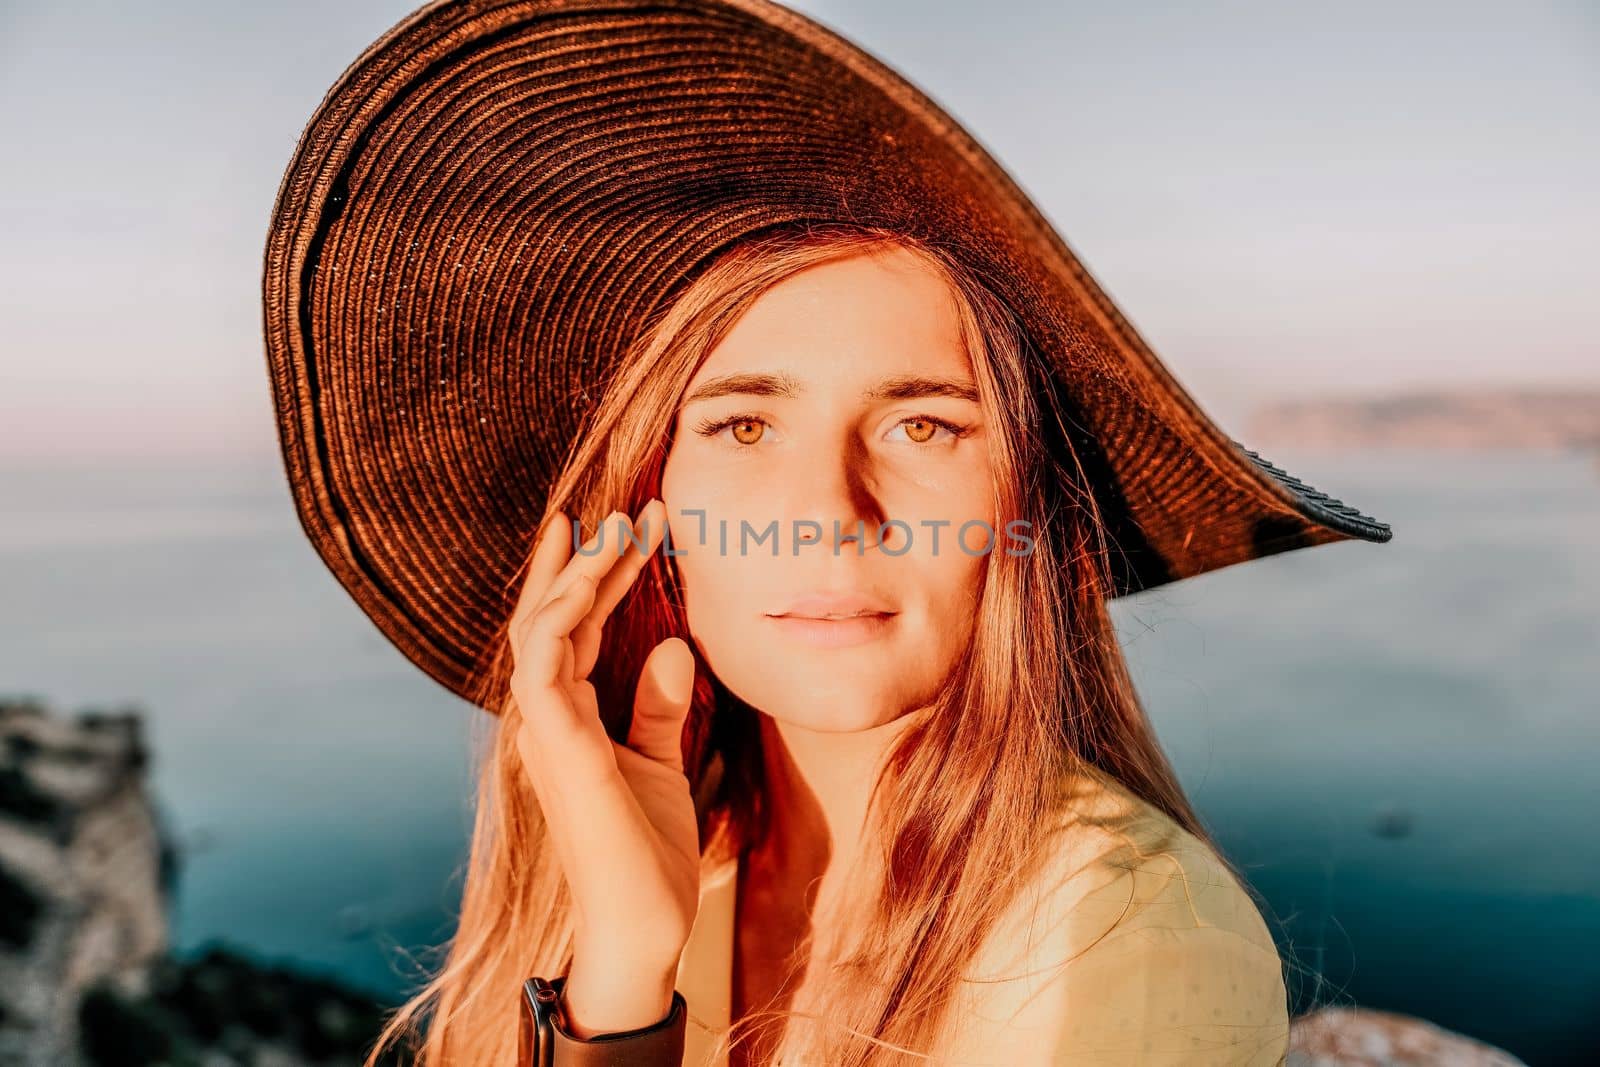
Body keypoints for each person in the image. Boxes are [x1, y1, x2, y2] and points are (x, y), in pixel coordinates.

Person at [259, 3, 1392, 1065]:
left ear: (1026, 505)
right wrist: (617, 962)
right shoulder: (662, 852)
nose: (828, 513)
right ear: (642, 508)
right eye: (743, 424)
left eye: (923, 423)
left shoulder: (1121, 938)